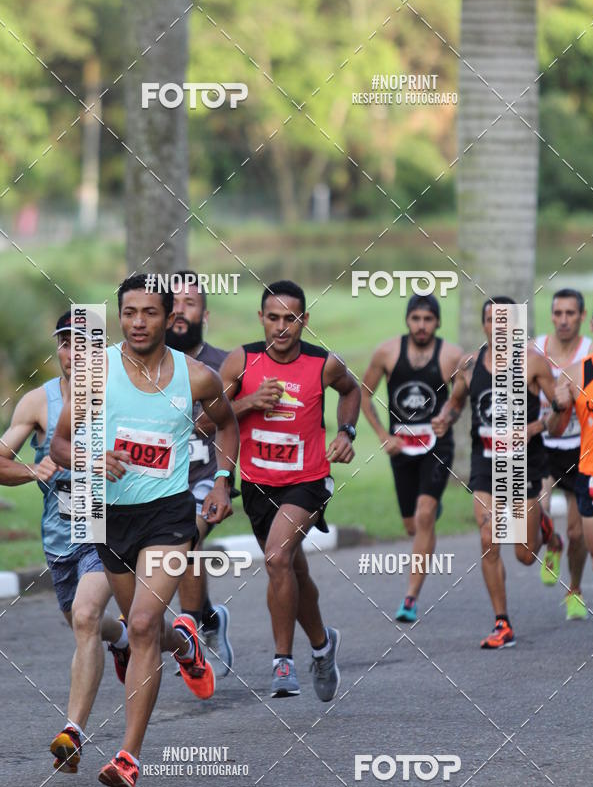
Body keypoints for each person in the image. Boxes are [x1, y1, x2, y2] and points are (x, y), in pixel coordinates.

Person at [51, 275, 239, 787]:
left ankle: (128, 757)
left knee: (139, 625)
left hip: (169, 516)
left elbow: (227, 425)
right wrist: (92, 459)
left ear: (168, 317)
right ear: (119, 316)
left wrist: (223, 480)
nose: (138, 322)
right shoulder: (96, 371)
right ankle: (186, 644)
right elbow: (61, 444)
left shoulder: (196, 377)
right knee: (148, 633)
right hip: (110, 517)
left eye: (149, 313)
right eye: (129, 312)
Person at [0, 312, 128, 774]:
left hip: (109, 527)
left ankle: (72, 733)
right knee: (82, 620)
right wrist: (31, 470)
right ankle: (138, 640)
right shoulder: (39, 402)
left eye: (85, 344)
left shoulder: (122, 395)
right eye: (66, 343)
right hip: (60, 535)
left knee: (86, 616)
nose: (74, 353)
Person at [219, 280, 360, 699]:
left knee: (276, 557)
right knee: (292, 570)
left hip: (308, 480)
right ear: (261, 318)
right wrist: (248, 402)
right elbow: (207, 420)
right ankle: (322, 645)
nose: (282, 327)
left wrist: (347, 432)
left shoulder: (323, 363)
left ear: (305, 320)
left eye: (291, 318)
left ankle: (283, 662)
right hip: (258, 484)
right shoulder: (240, 361)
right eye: (273, 317)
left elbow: (351, 390)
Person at [436, 296, 563, 648]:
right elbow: (456, 401)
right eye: (492, 320)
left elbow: (560, 408)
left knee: (525, 554)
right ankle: (502, 623)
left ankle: (545, 530)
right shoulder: (469, 365)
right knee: (489, 537)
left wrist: (536, 427)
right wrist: (445, 417)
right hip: (486, 463)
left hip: (524, 464)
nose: (499, 327)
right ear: (484, 325)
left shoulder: (533, 363)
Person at [360, 294, 463, 622]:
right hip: (401, 446)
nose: (421, 326)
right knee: (411, 526)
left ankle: (410, 598)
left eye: (428, 319)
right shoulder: (387, 352)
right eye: (416, 319)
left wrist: (447, 416)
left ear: (438, 322)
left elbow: (461, 396)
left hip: (437, 446)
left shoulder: (451, 355)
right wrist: (382, 435)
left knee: (424, 515)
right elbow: (363, 393)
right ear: (407, 320)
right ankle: (427, 514)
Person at [166, 271, 233, 675]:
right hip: (158, 480)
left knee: (186, 537)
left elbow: (233, 422)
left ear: (205, 315)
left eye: (189, 304)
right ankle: (209, 619)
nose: (179, 311)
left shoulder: (224, 365)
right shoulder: (146, 364)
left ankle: (189, 631)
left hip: (206, 476)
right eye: (173, 303)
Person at [534, 289, 590, 618]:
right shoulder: (536, 349)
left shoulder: (589, 352)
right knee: (538, 514)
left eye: (570, 313)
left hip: (578, 448)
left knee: (577, 532)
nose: (564, 320)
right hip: (543, 444)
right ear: (552, 316)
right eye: (558, 313)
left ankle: (575, 589)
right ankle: (551, 543)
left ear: (582, 317)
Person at [547, 294, 593, 614]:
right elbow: (554, 428)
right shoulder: (574, 374)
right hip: (590, 475)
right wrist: (558, 406)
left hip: (586, 471)